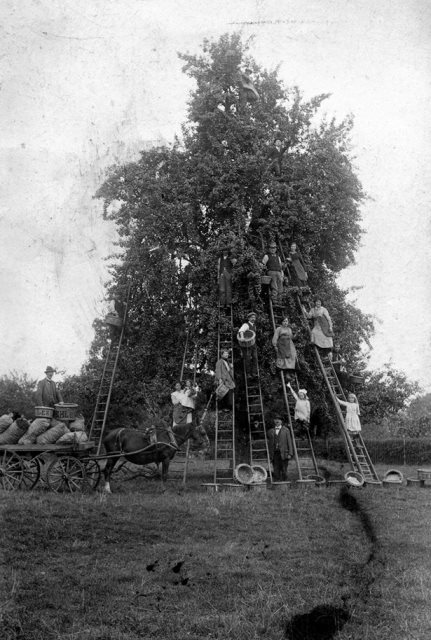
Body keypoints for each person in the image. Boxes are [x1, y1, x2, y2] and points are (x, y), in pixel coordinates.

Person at [267, 417, 293, 481]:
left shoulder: (286, 430)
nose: (277, 421)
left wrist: (290, 453)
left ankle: (284, 484)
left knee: (284, 469)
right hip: (274, 453)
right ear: (274, 421)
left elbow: (289, 442)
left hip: (284, 453)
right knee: (276, 469)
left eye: (279, 419)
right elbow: (269, 443)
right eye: (275, 419)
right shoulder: (270, 431)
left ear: (281, 421)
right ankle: (277, 483)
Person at [238, 312, 258, 378]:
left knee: (255, 358)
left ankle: (254, 373)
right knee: (248, 359)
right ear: (249, 318)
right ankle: (248, 374)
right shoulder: (246, 325)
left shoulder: (254, 325)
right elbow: (241, 331)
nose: (253, 319)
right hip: (247, 345)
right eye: (252, 317)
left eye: (254, 317)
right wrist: (242, 337)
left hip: (253, 344)